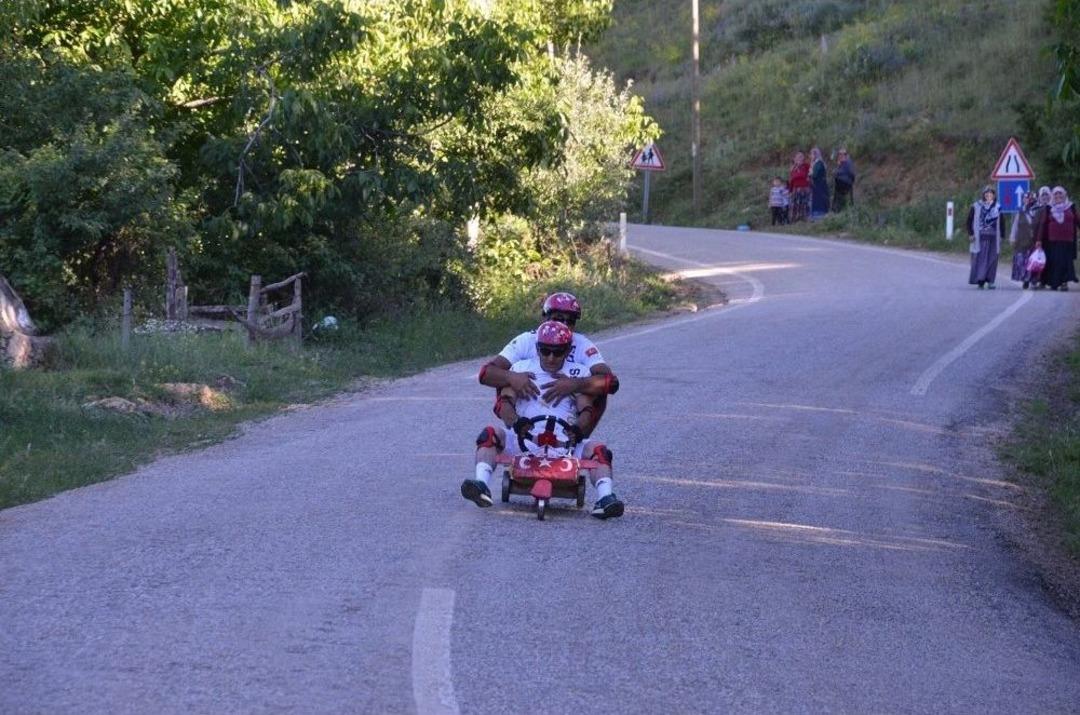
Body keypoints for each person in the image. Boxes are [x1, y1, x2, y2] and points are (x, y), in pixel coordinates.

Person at [462, 320, 625, 519]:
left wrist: (578, 430)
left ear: (567, 351)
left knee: (599, 450)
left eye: (557, 352)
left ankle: (606, 498)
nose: (551, 357)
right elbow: (505, 402)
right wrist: (516, 422)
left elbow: (586, 409)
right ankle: (481, 485)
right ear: (537, 348)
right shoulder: (520, 369)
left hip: (564, 444)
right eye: (545, 350)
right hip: (523, 440)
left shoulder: (577, 373)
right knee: (489, 434)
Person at [478, 292, 615, 437]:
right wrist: (512, 378)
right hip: (527, 399)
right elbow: (486, 373)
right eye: (558, 319)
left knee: (599, 391)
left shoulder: (581, 344)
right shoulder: (526, 340)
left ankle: (578, 437)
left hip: (570, 402)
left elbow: (611, 382)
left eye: (570, 321)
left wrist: (575, 384)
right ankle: (517, 428)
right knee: (505, 381)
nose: (564, 325)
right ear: (544, 317)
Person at [1036, 186, 1079, 291]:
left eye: (1060, 194)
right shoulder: (1049, 208)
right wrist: (1039, 240)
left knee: (1065, 262)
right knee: (1054, 262)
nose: (1058, 196)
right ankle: (1054, 283)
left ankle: (1064, 283)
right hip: (1053, 241)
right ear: (1053, 196)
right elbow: (1043, 224)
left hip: (1067, 240)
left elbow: (1078, 220)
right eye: (1056, 194)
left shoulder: (1071, 207)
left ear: (1064, 195)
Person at [966, 186, 1003, 289]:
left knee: (992, 260)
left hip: (994, 238)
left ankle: (990, 281)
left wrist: (1002, 236)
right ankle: (980, 280)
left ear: (994, 196)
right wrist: (971, 234)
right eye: (986, 194)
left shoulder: (997, 207)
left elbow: (1002, 222)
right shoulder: (976, 206)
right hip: (980, 238)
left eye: (991, 194)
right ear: (983, 195)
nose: (988, 196)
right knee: (980, 260)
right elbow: (969, 221)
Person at [1009, 191, 1041, 289]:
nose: (1027, 200)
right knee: (1022, 262)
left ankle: (1033, 280)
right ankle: (1025, 280)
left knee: (1033, 262)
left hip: (1033, 241)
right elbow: (1015, 226)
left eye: (1029, 198)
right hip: (1021, 240)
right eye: (1025, 198)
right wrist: (1012, 238)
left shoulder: (1037, 211)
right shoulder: (1020, 211)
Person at [788, 151, 811, 223]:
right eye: (798, 157)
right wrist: (790, 190)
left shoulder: (806, 166)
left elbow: (808, 175)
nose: (800, 158)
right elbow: (791, 179)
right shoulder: (793, 168)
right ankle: (794, 219)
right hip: (795, 188)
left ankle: (804, 218)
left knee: (804, 203)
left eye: (801, 156)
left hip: (805, 187)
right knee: (795, 204)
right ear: (794, 158)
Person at [809, 147, 829, 219]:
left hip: (820, 185)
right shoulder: (815, 163)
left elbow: (815, 174)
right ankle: (816, 214)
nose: (810, 156)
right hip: (817, 185)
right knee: (816, 199)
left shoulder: (819, 163)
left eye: (812, 154)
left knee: (820, 199)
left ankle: (820, 215)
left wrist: (811, 173)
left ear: (816, 155)